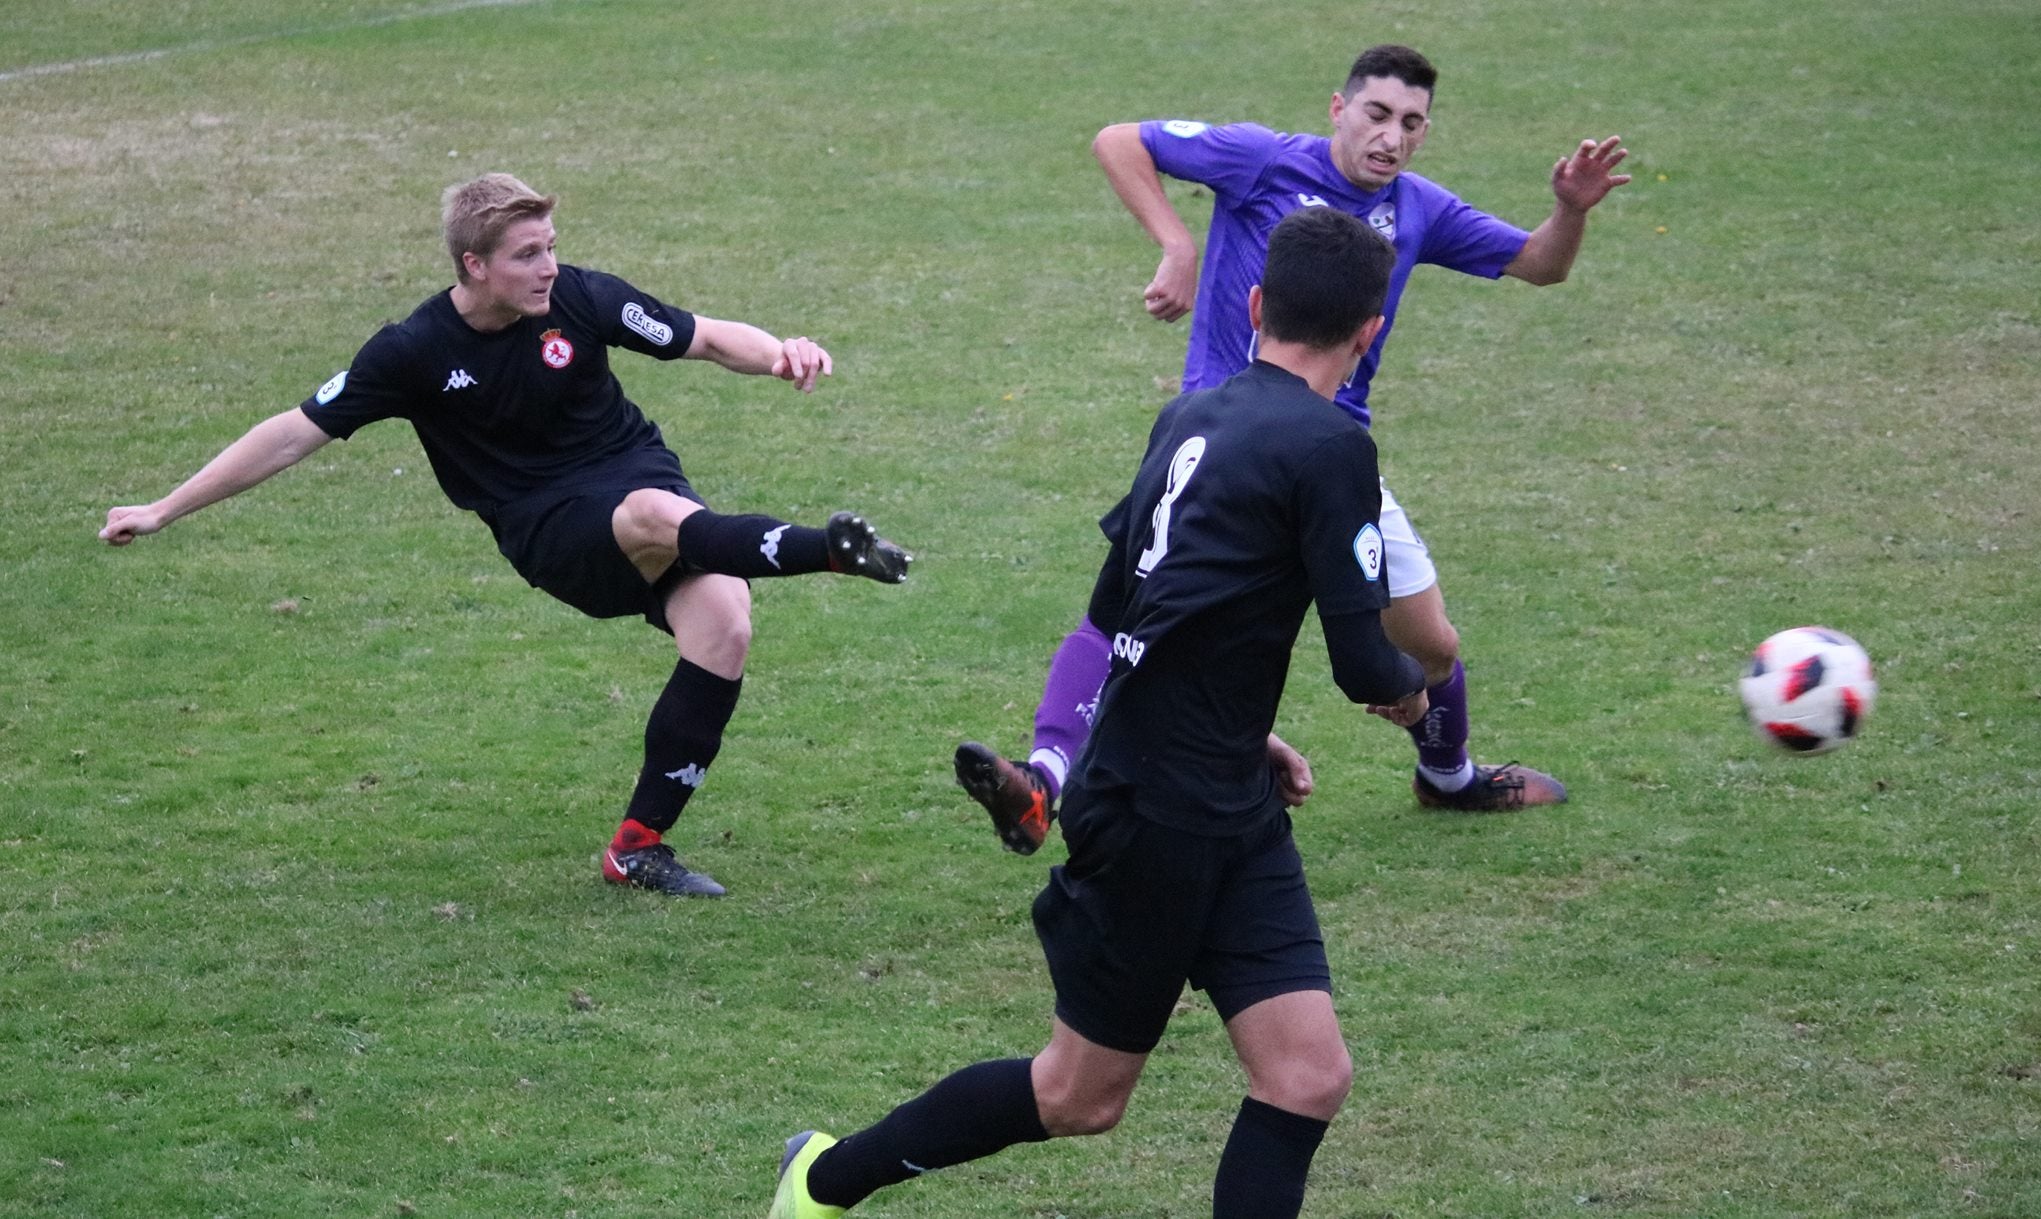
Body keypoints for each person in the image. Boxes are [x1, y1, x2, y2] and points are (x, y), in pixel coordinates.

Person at [769, 208, 1426, 1219]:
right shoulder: (1332, 447)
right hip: (1155, 815)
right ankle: (822, 1178)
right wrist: (1424, 689)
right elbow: (1360, 665)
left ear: (1255, 306)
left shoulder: (1192, 416)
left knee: (1305, 1075)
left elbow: (1134, 614)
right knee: (1077, 1095)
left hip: (1225, 801)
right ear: (1370, 330)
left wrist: (1242, 730)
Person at [99, 172, 911, 898]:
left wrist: (780, 355)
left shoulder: (581, 299)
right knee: (654, 517)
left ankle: (638, 848)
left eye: (551, 248)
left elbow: (700, 335)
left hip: (636, 472)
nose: (548, 268)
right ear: (474, 265)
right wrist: (165, 507)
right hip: (549, 526)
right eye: (526, 255)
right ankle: (824, 550)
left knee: (724, 625)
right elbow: (292, 432)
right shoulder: (412, 350)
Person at [957, 44, 1628, 846]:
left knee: (1432, 647)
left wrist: (1572, 211)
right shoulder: (1260, 160)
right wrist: (1177, 244)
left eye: (1412, 124)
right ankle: (1042, 780)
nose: (1392, 137)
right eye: (1377, 114)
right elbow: (1119, 139)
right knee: (1132, 617)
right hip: (1213, 446)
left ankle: (1446, 778)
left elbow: (1540, 265)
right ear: (1338, 109)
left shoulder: (1419, 209)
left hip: (1332, 462)